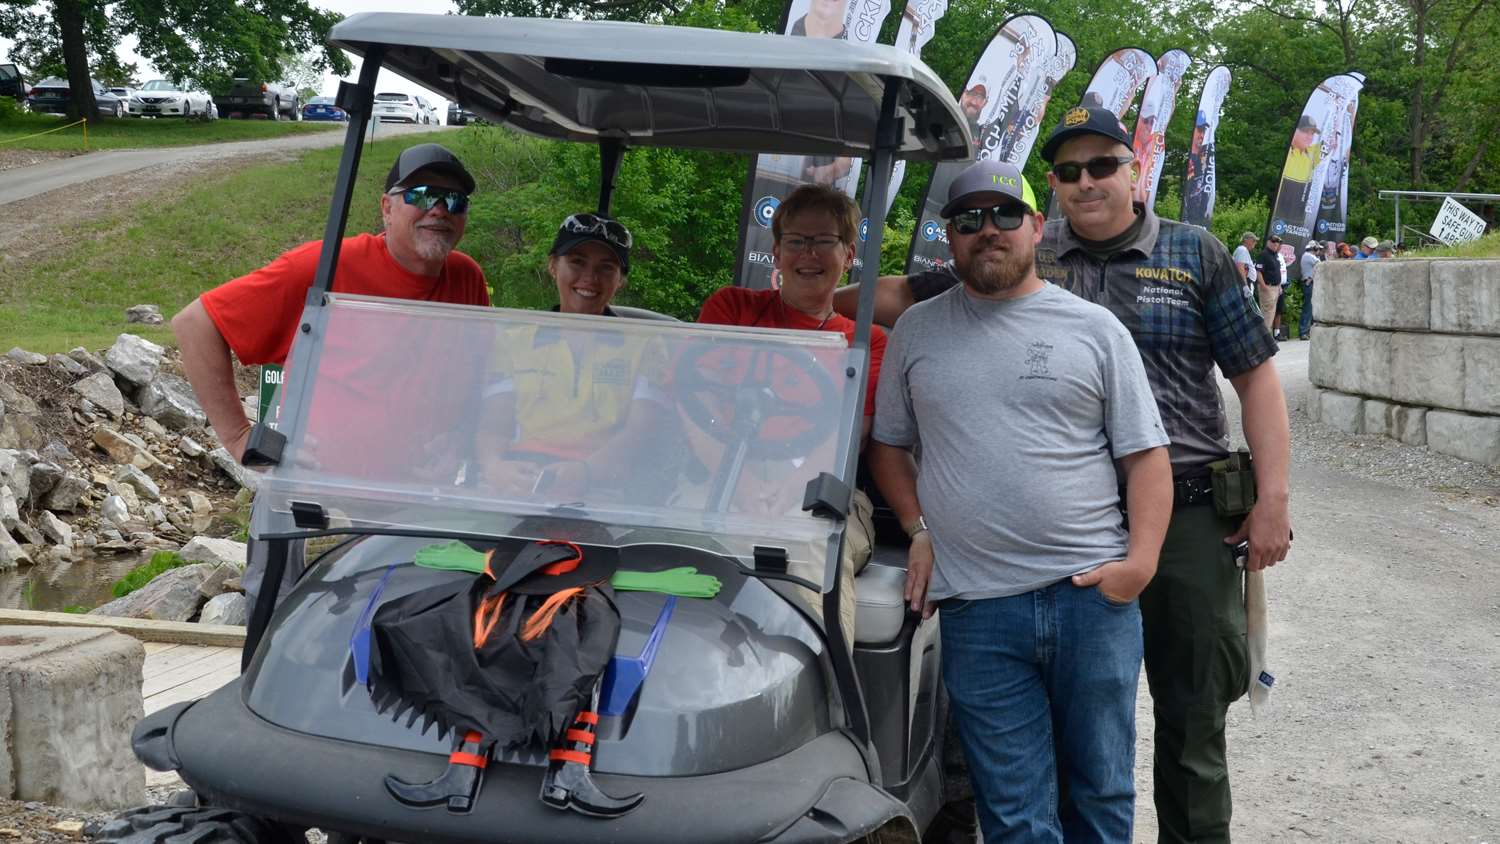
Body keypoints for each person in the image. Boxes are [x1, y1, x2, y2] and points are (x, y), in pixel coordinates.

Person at [869, 159, 1173, 841]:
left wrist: (1140, 566)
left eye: (1006, 215)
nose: (989, 231)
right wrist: (918, 529)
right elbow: (888, 445)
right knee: (1013, 814)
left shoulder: (1095, 330)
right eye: (969, 219)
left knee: (1100, 796)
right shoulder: (918, 329)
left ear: (1039, 227)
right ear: (949, 236)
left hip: (1091, 599)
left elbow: (1146, 457)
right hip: (979, 609)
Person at [1035, 105, 1292, 843]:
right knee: (1070, 722)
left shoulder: (1195, 251)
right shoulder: (1028, 251)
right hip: (1071, 522)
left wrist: (1272, 497)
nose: (1086, 182)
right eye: (1069, 171)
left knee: (1192, 723)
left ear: (1133, 169)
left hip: (1188, 516)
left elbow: (1258, 380)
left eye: (1103, 165)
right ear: (1053, 183)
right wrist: (804, 301)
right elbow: (925, 300)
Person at [172, 142, 490, 607]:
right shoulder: (322, 267)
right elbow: (196, 324)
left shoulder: (466, 279)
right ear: (386, 207)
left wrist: (457, 446)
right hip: (314, 509)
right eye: (422, 194)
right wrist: (241, 436)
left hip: (412, 511)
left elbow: (477, 380)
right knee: (288, 641)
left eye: (454, 201)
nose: (439, 210)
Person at [697, 183, 882, 650]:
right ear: (776, 252)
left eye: (824, 241)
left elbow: (849, 432)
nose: (809, 254)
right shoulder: (733, 309)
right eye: (796, 241)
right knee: (658, 545)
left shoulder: (868, 340)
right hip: (717, 469)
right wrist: (738, 481)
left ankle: (821, 692)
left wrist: (791, 491)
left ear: (849, 254)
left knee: (811, 553)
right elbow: (692, 405)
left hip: (825, 484)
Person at [475, 214, 674, 503]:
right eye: (577, 262)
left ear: (621, 280)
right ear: (553, 266)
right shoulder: (514, 338)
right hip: (521, 487)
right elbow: (495, 422)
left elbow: (641, 431)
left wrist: (587, 473)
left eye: (606, 268)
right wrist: (494, 467)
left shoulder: (647, 344)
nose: (590, 278)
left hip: (603, 492)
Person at [1255, 235, 1285, 334]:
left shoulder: (1274, 255)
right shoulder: (1263, 255)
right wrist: (1264, 287)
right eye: (1273, 241)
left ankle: (1267, 336)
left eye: (1277, 242)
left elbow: (1277, 271)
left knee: (1272, 313)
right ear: (1268, 242)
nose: (1276, 244)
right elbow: (1258, 271)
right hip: (1268, 286)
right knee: (1267, 313)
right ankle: (1265, 337)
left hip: (1275, 287)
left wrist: (1279, 286)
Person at [1298, 243, 1322, 339]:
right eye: (1318, 249)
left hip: (1310, 283)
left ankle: (1308, 331)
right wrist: (1311, 277)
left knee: (1311, 308)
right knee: (1308, 308)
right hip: (1309, 284)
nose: (1319, 251)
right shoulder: (1309, 256)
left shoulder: (1308, 256)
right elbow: (1321, 266)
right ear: (1314, 248)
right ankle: (1303, 331)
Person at [1232, 231, 1259, 300]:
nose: (1255, 243)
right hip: (1244, 283)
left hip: (1246, 282)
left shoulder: (1243, 250)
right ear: (1246, 240)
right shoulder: (1242, 250)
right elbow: (1240, 268)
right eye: (1253, 240)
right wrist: (1245, 286)